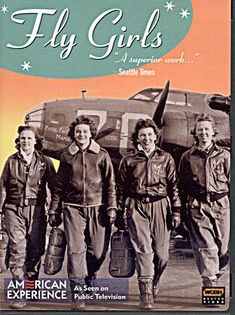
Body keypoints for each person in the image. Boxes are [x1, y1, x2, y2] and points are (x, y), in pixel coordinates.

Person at [48, 115, 117, 310]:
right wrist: (54, 209)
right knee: (75, 250)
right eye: (78, 131)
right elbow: (59, 186)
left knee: (97, 252)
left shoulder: (102, 155)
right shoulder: (66, 156)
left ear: (91, 134)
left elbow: (111, 184)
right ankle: (77, 293)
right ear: (73, 134)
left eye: (85, 131)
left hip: (98, 207)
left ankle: (90, 274)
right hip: (73, 208)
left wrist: (112, 207)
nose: (81, 134)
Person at [116, 118, 181, 309]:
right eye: (142, 135)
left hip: (160, 205)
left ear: (155, 136)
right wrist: (120, 212)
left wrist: (176, 211)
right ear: (137, 138)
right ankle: (145, 293)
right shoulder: (128, 160)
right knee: (143, 250)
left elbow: (174, 186)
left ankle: (154, 280)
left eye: (150, 134)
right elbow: (121, 188)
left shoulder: (166, 158)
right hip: (136, 206)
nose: (146, 138)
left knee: (162, 255)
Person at [0, 125, 56, 309]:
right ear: (19, 141)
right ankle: (19, 293)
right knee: (17, 249)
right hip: (13, 209)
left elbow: (54, 188)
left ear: (35, 140)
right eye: (22, 138)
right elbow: (2, 188)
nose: (25, 141)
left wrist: (54, 210)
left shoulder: (45, 162)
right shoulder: (11, 161)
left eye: (29, 138)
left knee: (36, 250)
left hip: (37, 211)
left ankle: (31, 286)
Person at [178, 113, 230, 288]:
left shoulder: (225, 155)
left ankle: (216, 270)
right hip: (197, 206)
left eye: (207, 129)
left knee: (223, 248)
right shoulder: (187, 157)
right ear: (195, 132)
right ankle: (210, 284)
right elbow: (182, 185)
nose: (203, 133)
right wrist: (181, 211)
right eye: (200, 129)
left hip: (221, 205)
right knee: (207, 247)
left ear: (213, 132)